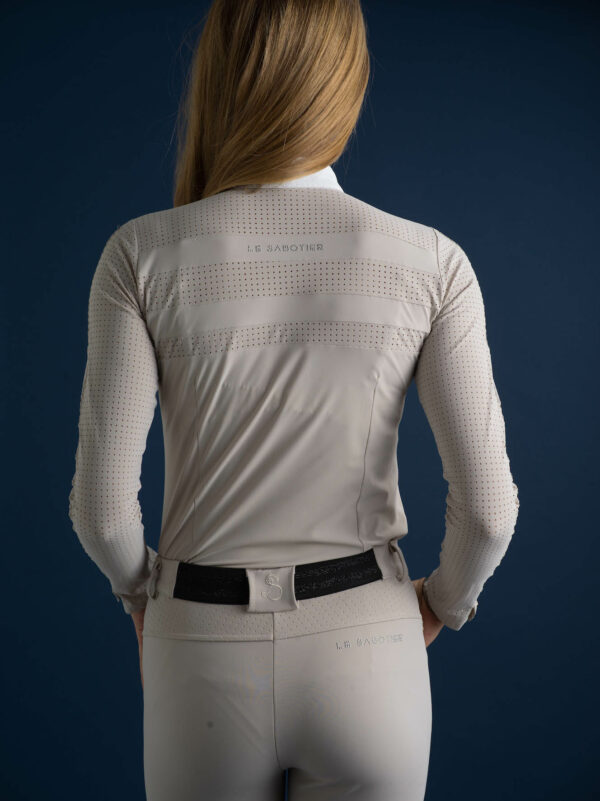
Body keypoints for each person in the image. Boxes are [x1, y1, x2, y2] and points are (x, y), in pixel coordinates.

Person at [67, 1, 520, 799]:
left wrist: (143, 597)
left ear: (219, 79)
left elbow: (102, 513)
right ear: (344, 85)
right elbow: (488, 513)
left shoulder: (139, 256)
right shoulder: (432, 263)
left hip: (198, 640)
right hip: (367, 643)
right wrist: (442, 605)